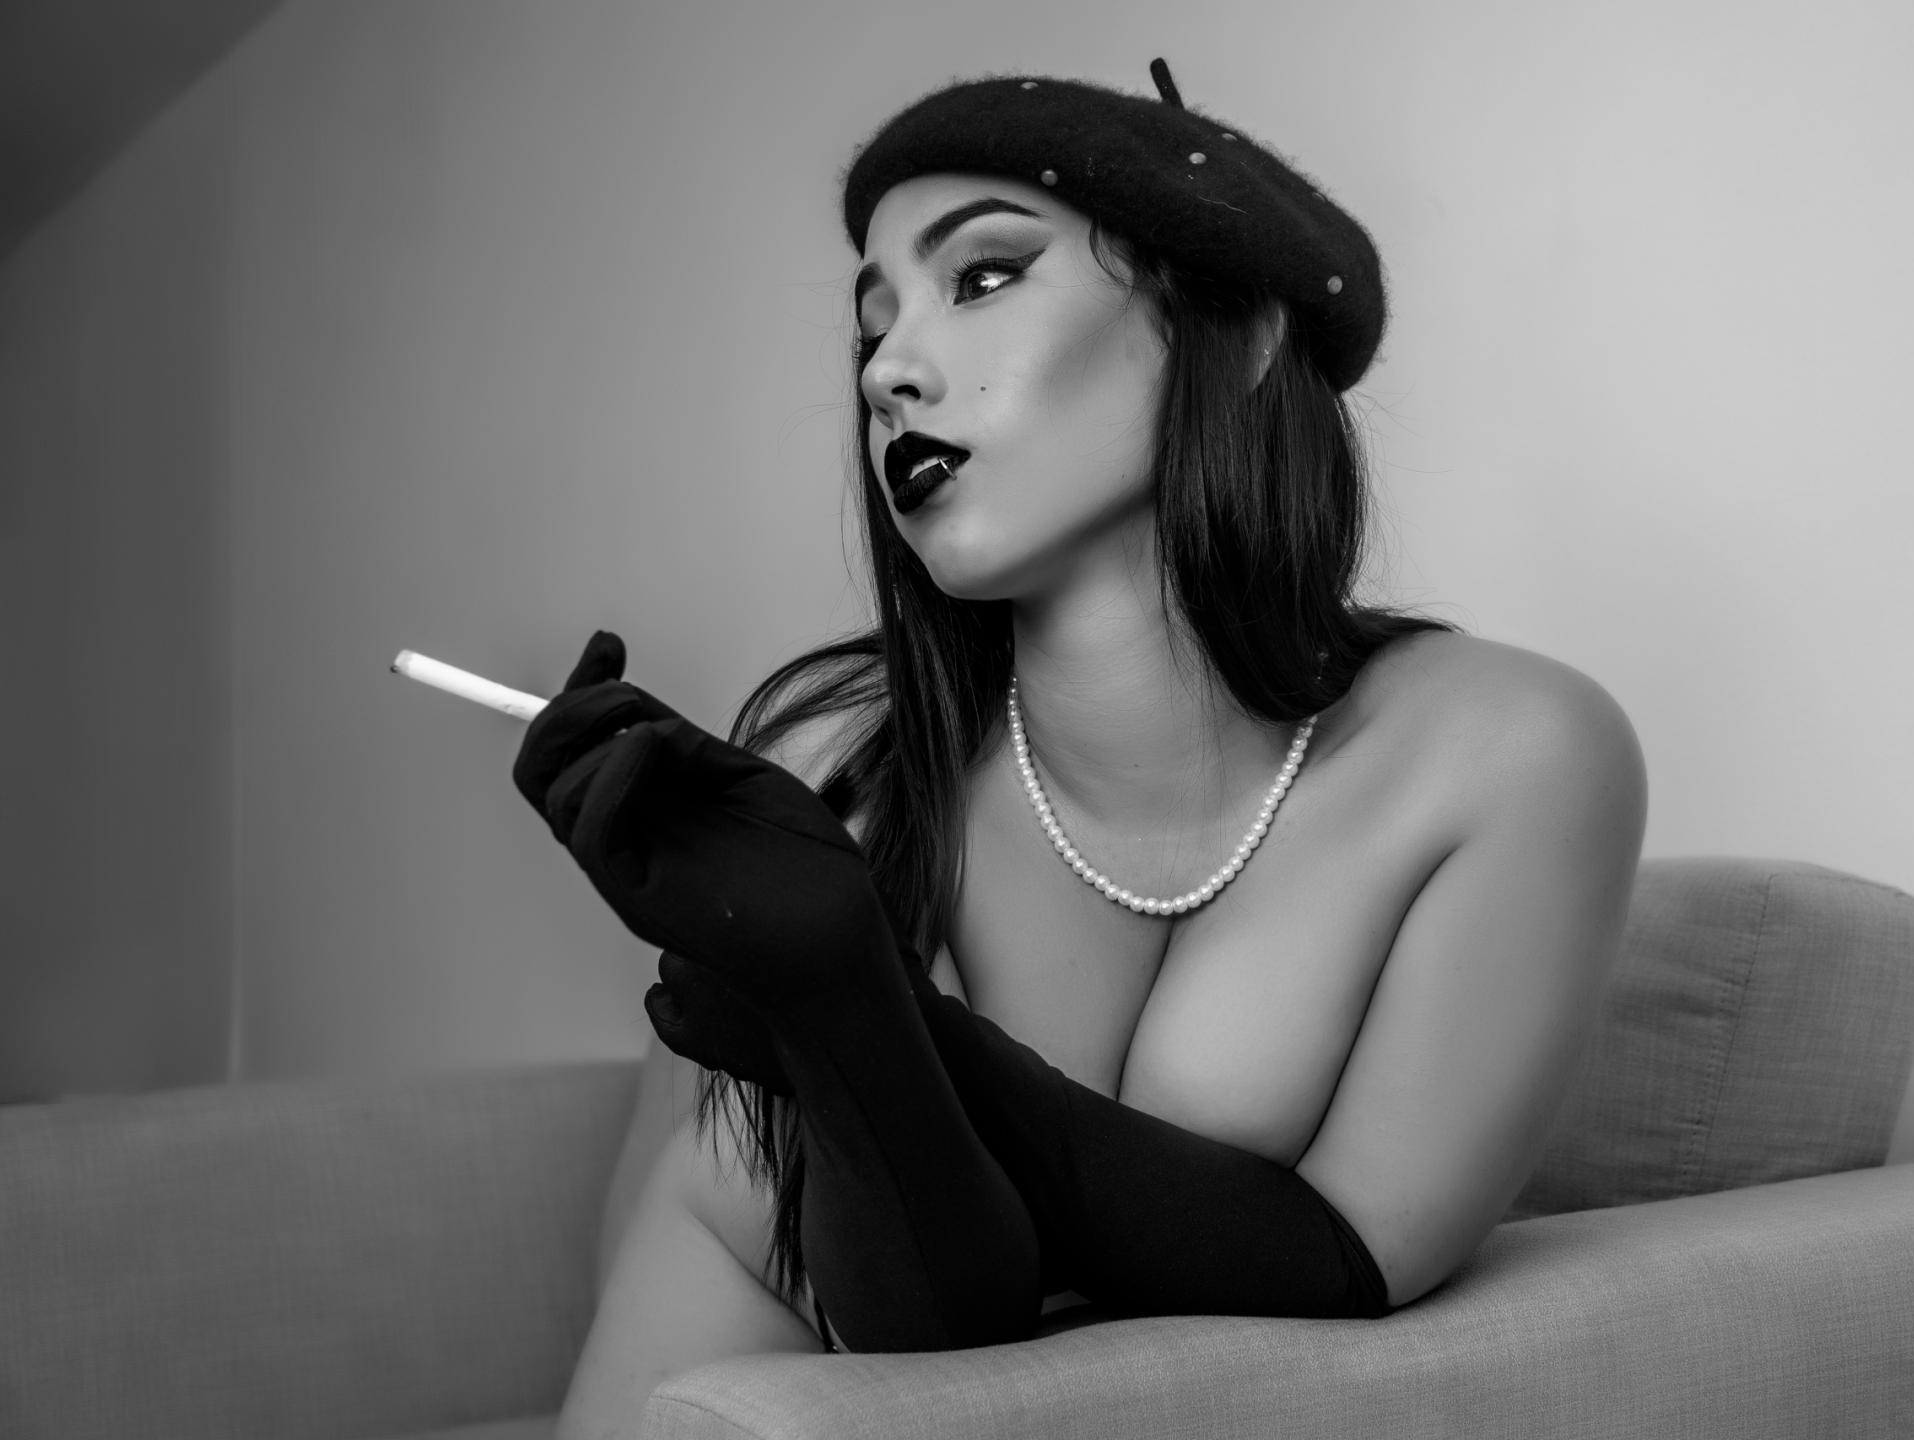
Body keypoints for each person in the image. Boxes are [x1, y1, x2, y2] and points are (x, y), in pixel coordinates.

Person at [519, 60, 1647, 1436]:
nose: (888, 370)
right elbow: (923, 1335)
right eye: (873, 324)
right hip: (727, 1362)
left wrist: (866, 1004)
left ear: (1236, 335)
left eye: (982, 277)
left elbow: (1353, 1258)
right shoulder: (839, 761)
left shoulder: (1506, 754)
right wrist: (836, 1006)